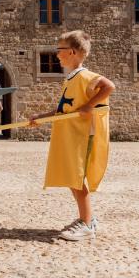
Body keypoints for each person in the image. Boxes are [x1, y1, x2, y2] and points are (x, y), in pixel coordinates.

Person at [30, 30, 115, 241]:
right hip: (73, 133)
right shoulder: (70, 79)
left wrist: (88, 105)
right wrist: (41, 117)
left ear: (73, 52)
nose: (57, 54)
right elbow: (64, 109)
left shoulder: (84, 76)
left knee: (77, 177)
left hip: (83, 134)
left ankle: (86, 224)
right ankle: (87, 218)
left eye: (60, 50)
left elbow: (108, 86)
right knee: (71, 176)